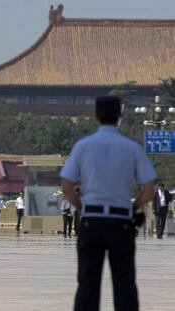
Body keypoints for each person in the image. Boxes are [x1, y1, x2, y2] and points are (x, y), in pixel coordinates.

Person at [61, 96, 156, 311]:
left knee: (87, 284)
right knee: (124, 284)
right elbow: (149, 189)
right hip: (121, 223)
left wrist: (83, 208)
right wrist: (133, 209)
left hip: (91, 221)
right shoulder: (131, 148)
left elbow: (67, 187)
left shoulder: (83, 146)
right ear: (120, 116)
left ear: (96, 116)